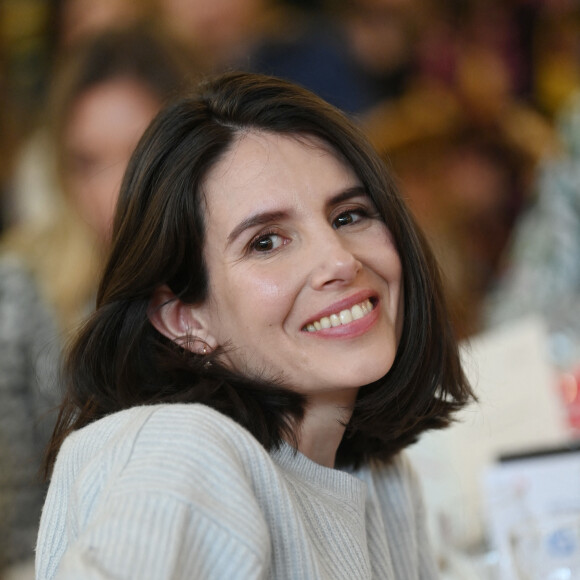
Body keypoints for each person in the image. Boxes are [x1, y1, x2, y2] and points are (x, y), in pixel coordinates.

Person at [36, 72, 473, 579]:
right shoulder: (183, 452)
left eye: (349, 215)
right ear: (184, 318)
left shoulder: (379, 477)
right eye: (266, 241)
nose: (339, 260)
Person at [0, 25, 192, 574]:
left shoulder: (242, 281)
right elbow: (18, 544)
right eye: (87, 162)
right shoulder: (21, 298)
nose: (111, 194)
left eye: (136, 153)